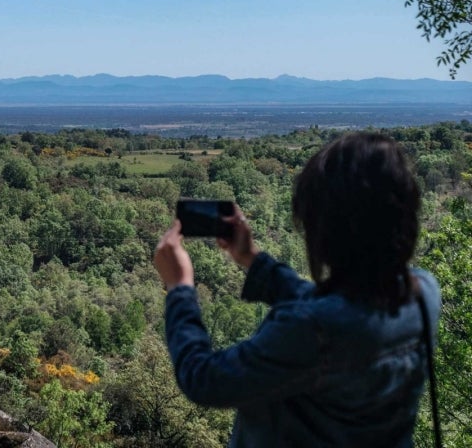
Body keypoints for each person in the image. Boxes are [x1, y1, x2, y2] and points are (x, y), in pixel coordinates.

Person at [154, 132, 440, 448]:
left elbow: (204, 379)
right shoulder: (424, 294)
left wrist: (179, 287)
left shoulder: (311, 329)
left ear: (326, 231)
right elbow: (339, 310)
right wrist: (252, 259)